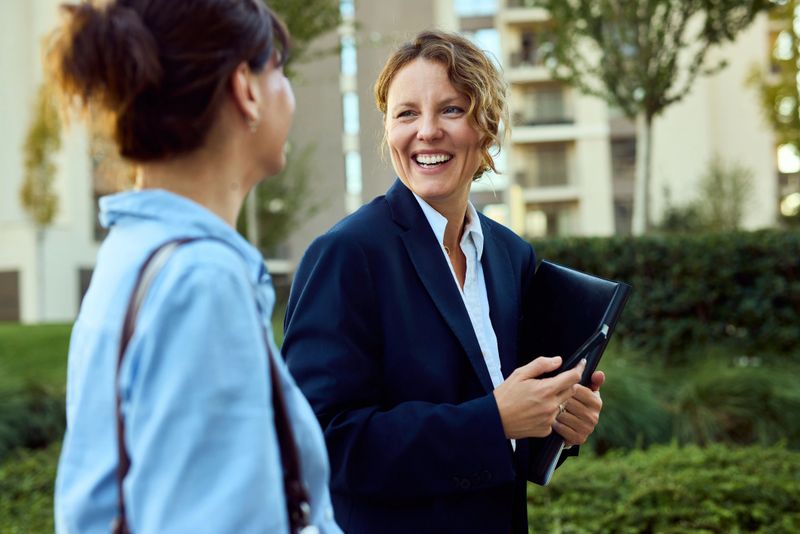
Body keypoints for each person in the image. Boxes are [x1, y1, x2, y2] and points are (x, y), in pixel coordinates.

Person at [282, 30, 604, 534]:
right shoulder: (347, 255)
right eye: (406, 113)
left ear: (487, 127)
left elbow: (508, 440)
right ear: (388, 132)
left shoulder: (510, 256)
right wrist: (492, 420)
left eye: (451, 110)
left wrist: (559, 427)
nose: (426, 131)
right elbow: (318, 442)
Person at [49, 1, 340, 532]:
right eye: (278, 66)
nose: (286, 89)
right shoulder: (200, 282)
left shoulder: (133, 252)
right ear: (245, 89)